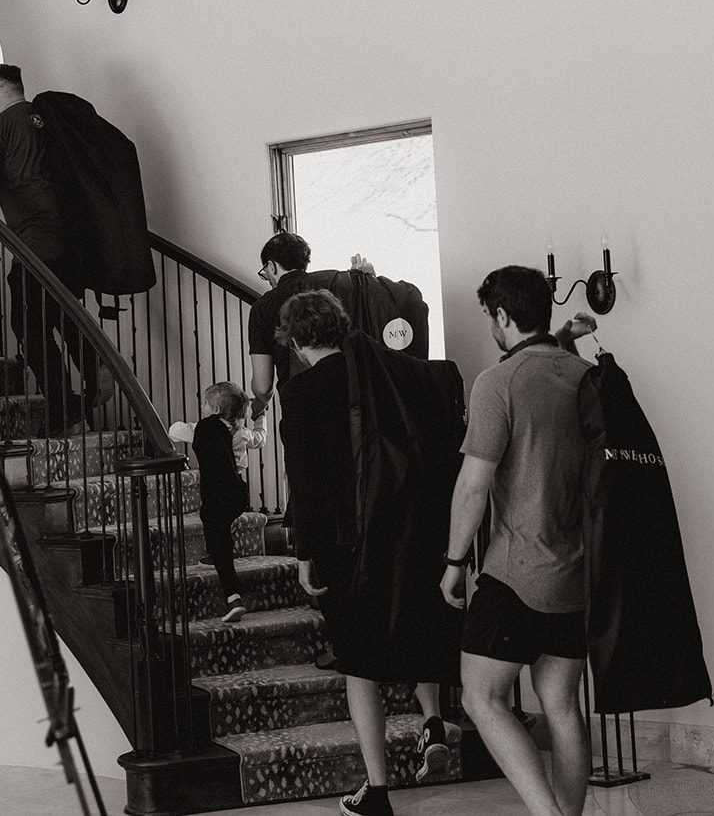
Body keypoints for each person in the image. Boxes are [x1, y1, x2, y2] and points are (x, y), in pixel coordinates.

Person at [277, 289, 460, 816]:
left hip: (345, 542)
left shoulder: (302, 392)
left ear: (294, 339)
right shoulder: (393, 372)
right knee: (416, 622)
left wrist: (305, 552)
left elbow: (306, 483)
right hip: (412, 527)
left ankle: (376, 789)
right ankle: (430, 722)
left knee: (359, 661)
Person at [441, 266, 594, 816]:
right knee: (562, 706)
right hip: (577, 575)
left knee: (481, 696)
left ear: (503, 316)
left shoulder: (496, 382)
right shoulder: (581, 374)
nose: (490, 328)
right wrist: (568, 343)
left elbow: (473, 485)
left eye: (489, 317)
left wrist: (454, 561)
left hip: (515, 573)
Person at [0, 63, 99, 435]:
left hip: (37, 244)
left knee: (30, 326)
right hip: (74, 241)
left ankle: (65, 412)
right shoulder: (49, 117)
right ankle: (95, 376)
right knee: (66, 315)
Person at [247, 232, 374, 419]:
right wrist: (366, 281)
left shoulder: (263, 307)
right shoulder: (331, 288)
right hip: (354, 399)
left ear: (271, 266)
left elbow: (263, 386)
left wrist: (260, 401)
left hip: (301, 407)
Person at [172, 382, 255, 622]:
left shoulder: (205, 427)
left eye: (206, 404)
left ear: (216, 409)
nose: (203, 407)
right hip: (238, 492)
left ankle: (233, 597)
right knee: (218, 530)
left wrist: (170, 429)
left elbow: (175, 430)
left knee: (215, 532)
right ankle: (217, 548)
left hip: (217, 495)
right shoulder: (238, 430)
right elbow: (259, 438)